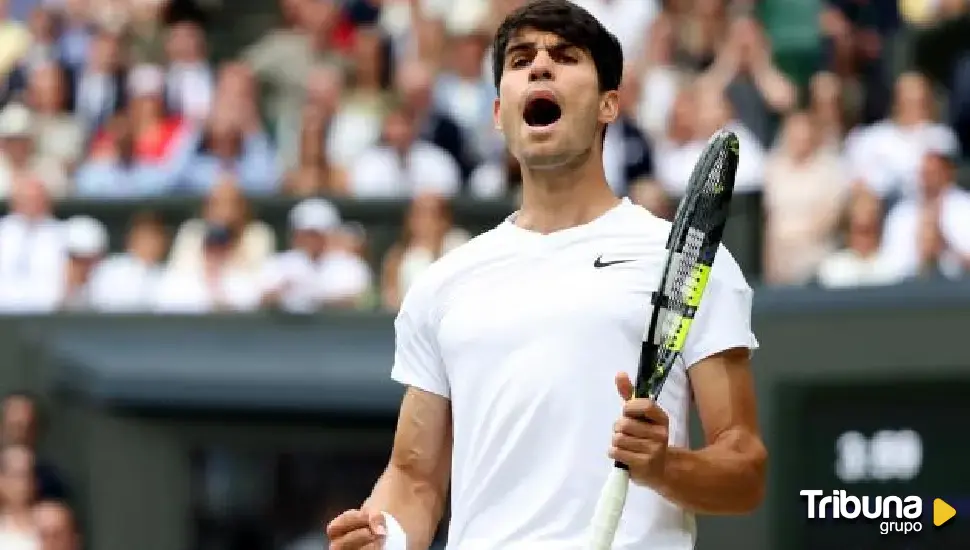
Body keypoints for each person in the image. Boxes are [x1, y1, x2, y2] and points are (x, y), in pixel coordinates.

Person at [326, 1, 766, 549]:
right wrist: (383, 536)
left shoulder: (685, 262)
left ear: (609, 104)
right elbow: (414, 478)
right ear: (497, 113)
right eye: (519, 59)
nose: (539, 66)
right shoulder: (442, 284)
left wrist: (664, 467)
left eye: (564, 56)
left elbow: (745, 469)